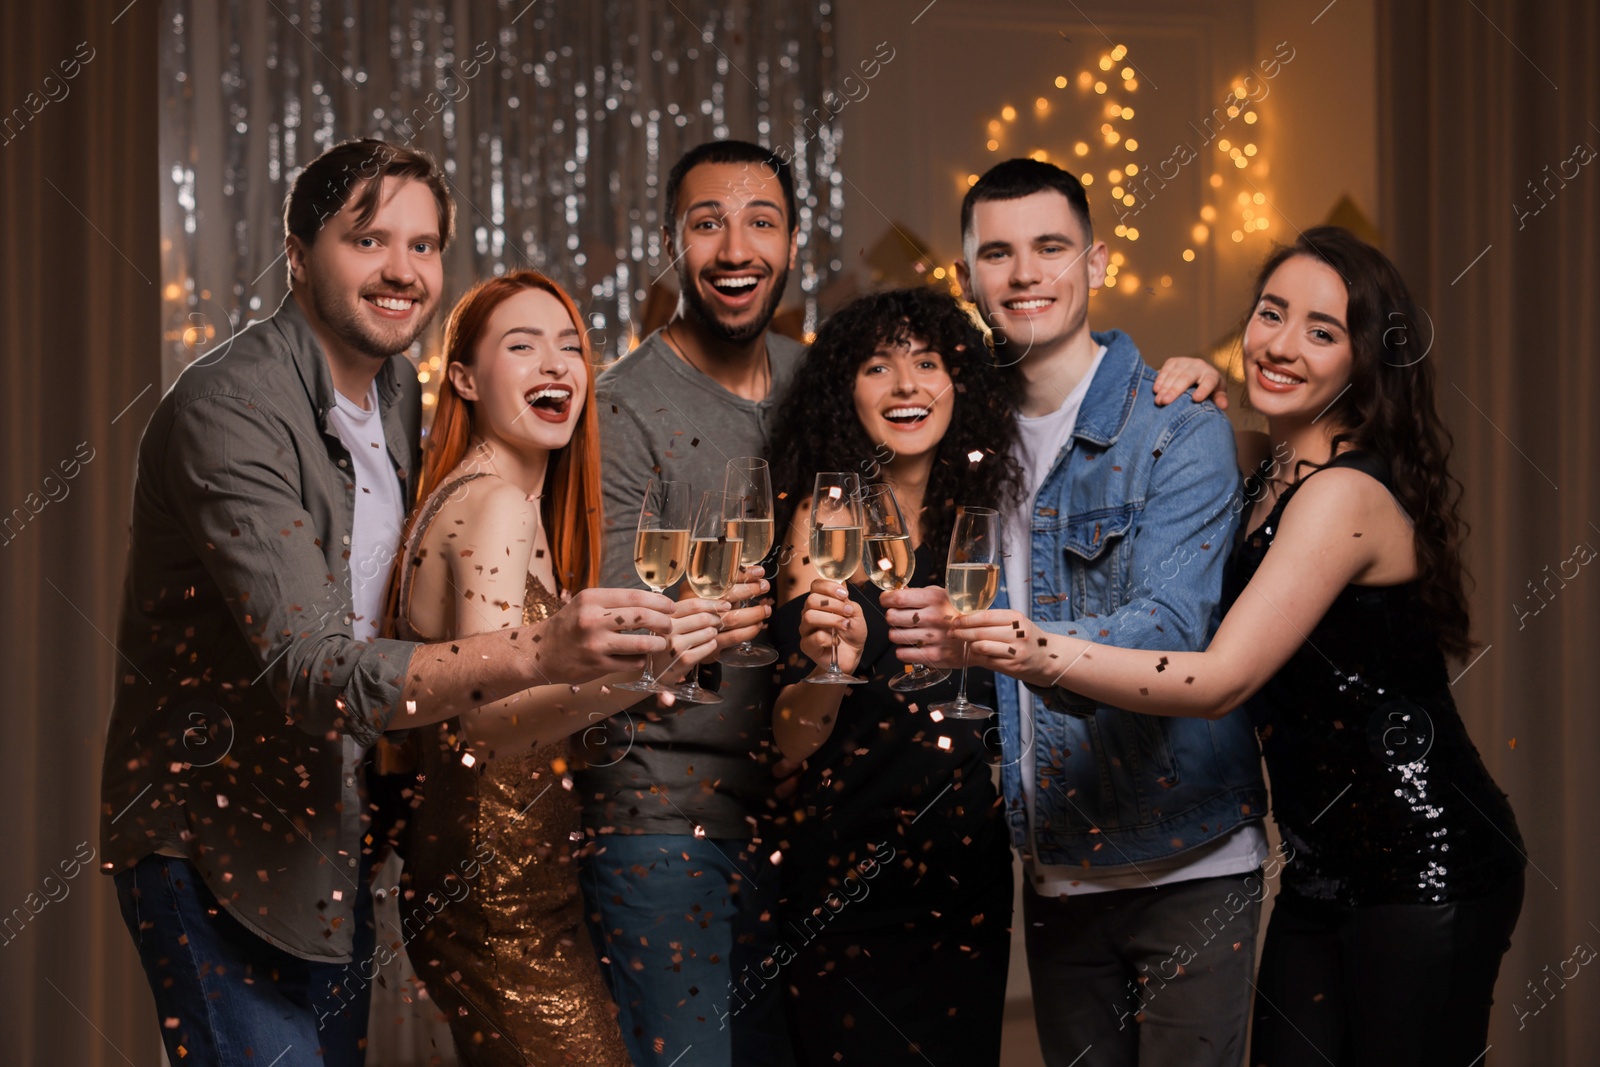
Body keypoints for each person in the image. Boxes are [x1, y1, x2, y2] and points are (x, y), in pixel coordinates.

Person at [99, 139, 681, 1066]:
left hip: (335, 846)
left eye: (423, 245)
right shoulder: (231, 408)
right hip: (217, 846)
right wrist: (541, 650)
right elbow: (313, 673)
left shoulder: (399, 401)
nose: (402, 271)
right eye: (369, 240)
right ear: (297, 254)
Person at [908, 226, 1527, 1066]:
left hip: (1425, 862)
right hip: (1316, 873)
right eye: (1271, 313)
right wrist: (1195, 387)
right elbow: (1158, 452)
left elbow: (1219, 678)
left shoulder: (1341, 494)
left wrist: (1035, 649)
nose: (1280, 343)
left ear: (1363, 361)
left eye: (1322, 330)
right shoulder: (1264, 467)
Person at [883, 158, 1268, 1067]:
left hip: (1188, 857)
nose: (1024, 275)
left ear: (1096, 262)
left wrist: (1029, 647)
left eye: (1050, 248)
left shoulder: (1176, 423)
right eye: (999, 254)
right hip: (1052, 866)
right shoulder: (956, 428)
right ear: (969, 274)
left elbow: (1176, 631)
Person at [388, 270, 742, 1064]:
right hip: (497, 894)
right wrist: (653, 669)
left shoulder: (481, 496)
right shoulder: (496, 507)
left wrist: (666, 641)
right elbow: (486, 721)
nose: (556, 365)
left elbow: (522, 692)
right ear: (466, 379)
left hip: (506, 880)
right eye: (523, 346)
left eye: (570, 346)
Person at [579, 139, 801, 1066]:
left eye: (761, 222)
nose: (735, 247)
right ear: (673, 244)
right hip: (662, 820)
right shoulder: (622, 406)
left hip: (797, 817)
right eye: (708, 223)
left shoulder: (818, 383)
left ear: (793, 242)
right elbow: (613, 626)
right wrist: (700, 612)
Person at [762, 287, 1023, 1065]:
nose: (907, 385)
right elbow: (787, 742)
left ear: (959, 384)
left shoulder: (982, 512)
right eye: (879, 366)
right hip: (848, 881)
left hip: (969, 872)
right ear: (847, 392)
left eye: (927, 362)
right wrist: (826, 671)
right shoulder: (822, 521)